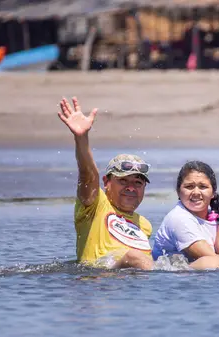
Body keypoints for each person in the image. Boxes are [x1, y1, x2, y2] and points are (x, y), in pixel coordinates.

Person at [57, 97, 154, 270]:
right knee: (135, 257)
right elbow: (88, 175)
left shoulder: (144, 225)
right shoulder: (95, 205)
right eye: (123, 180)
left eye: (138, 183)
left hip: (132, 292)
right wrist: (82, 138)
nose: (131, 187)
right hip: (98, 284)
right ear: (106, 182)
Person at [151, 161, 219, 269]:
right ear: (178, 191)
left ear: (213, 192)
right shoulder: (178, 218)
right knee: (212, 262)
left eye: (203, 186)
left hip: (206, 277)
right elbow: (214, 259)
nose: (196, 192)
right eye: (189, 186)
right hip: (176, 280)